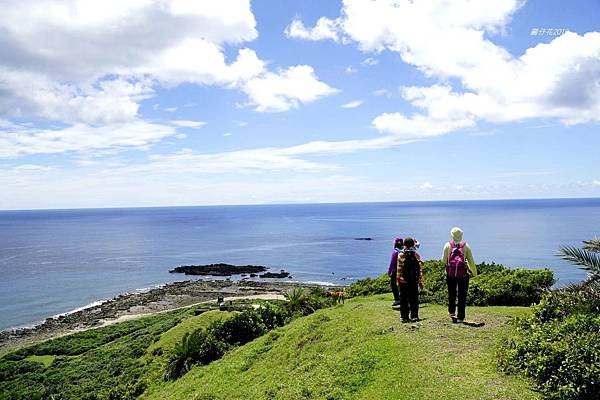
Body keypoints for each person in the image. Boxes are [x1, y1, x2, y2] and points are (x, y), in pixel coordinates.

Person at [442, 227, 477, 323]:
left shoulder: (447, 245)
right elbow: (471, 261)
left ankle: (451, 312)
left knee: (451, 293)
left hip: (450, 274)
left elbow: (443, 261)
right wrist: (474, 273)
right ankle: (461, 317)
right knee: (462, 295)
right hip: (463, 275)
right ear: (461, 235)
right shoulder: (466, 246)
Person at [397, 237, 424, 322]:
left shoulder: (401, 255)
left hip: (403, 281)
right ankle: (414, 316)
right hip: (413, 281)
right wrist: (420, 281)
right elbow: (419, 270)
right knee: (414, 299)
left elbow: (399, 269)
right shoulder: (416, 255)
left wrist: (398, 280)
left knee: (404, 299)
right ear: (413, 245)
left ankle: (404, 317)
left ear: (404, 245)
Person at [387, 237, 403, 307]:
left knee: (393, 284)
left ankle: (397, 299)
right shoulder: (403, 250)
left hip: (396, 270)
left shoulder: (395, 251)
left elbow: (392, 263)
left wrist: (389, 271)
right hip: (403, 270)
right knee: (402, 285)